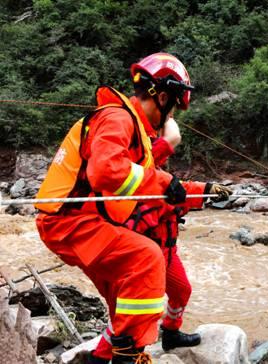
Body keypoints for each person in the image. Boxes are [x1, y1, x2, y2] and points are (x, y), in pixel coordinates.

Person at [35, 52, 192, 364]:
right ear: (162, 98)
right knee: (147, 258)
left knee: (122, 295)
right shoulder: (118, 118)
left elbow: (135, 170)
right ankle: (128, 355)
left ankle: (100, 358)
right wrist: (164, 178)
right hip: (71, 221)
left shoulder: (129, 127)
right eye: (172, 108)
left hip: (80, 221)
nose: (170, 117)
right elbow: (107, 171)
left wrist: (175, 176)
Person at [94, 114, 232, 360]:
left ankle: (170, 332)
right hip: (142, 259)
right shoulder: (132, 180)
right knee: (128, 315)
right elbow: (165, 193)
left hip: (167, 254)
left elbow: (177, 188)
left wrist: (208, 190)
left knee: (182, 291)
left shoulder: (156, 175)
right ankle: (100, 356)